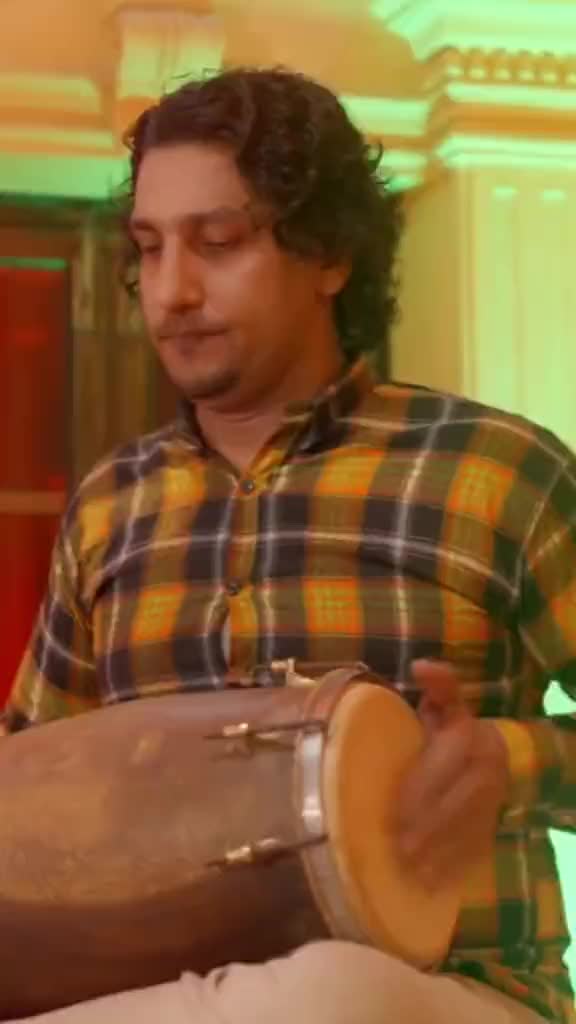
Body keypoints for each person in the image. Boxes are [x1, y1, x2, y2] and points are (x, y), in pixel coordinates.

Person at [1, 67, 575, 1024]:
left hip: (445, 992)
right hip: (153, 995)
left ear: (330, 254)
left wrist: (508, 761)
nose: (172, 291)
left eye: (219, 242)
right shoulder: (111, 506)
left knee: (328, 995)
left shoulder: (498, 472)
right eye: (150, 247)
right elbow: (30, 787)